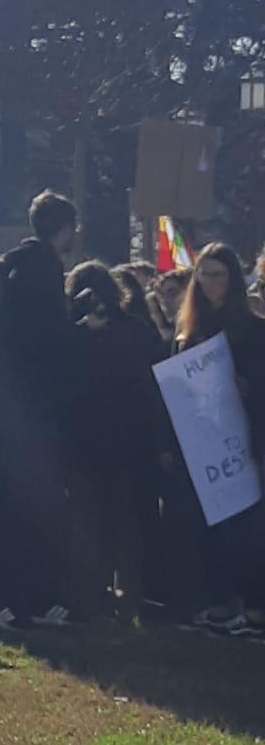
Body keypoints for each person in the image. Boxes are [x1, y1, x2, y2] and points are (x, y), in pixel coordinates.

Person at [0, 191, 79, 630]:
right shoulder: (44, 269)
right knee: (34, 505)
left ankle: (23, 598)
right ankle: (24, 599)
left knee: (23, 503)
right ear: (64, 229)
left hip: (15, 402)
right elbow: (50, 339)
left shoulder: (15, 267)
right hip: (36, 406)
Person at [168, 243, 265, 633]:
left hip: (245, 441)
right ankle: (220, 603)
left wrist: (246, 388)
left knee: (248, 527)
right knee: (209, 526)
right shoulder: (188, 332)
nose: (209, 283)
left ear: (233, 280)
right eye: (203, 275)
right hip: (203, 446)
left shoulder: (254, 330)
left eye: (218, 275)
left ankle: (254, 607)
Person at [64, 262, 167, 622]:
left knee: (90, 520)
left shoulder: (73, 336)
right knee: (132, 521)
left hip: (87, 440)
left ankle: (92, 593)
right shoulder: (139, 330)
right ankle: (135, 592)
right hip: (134, 437)